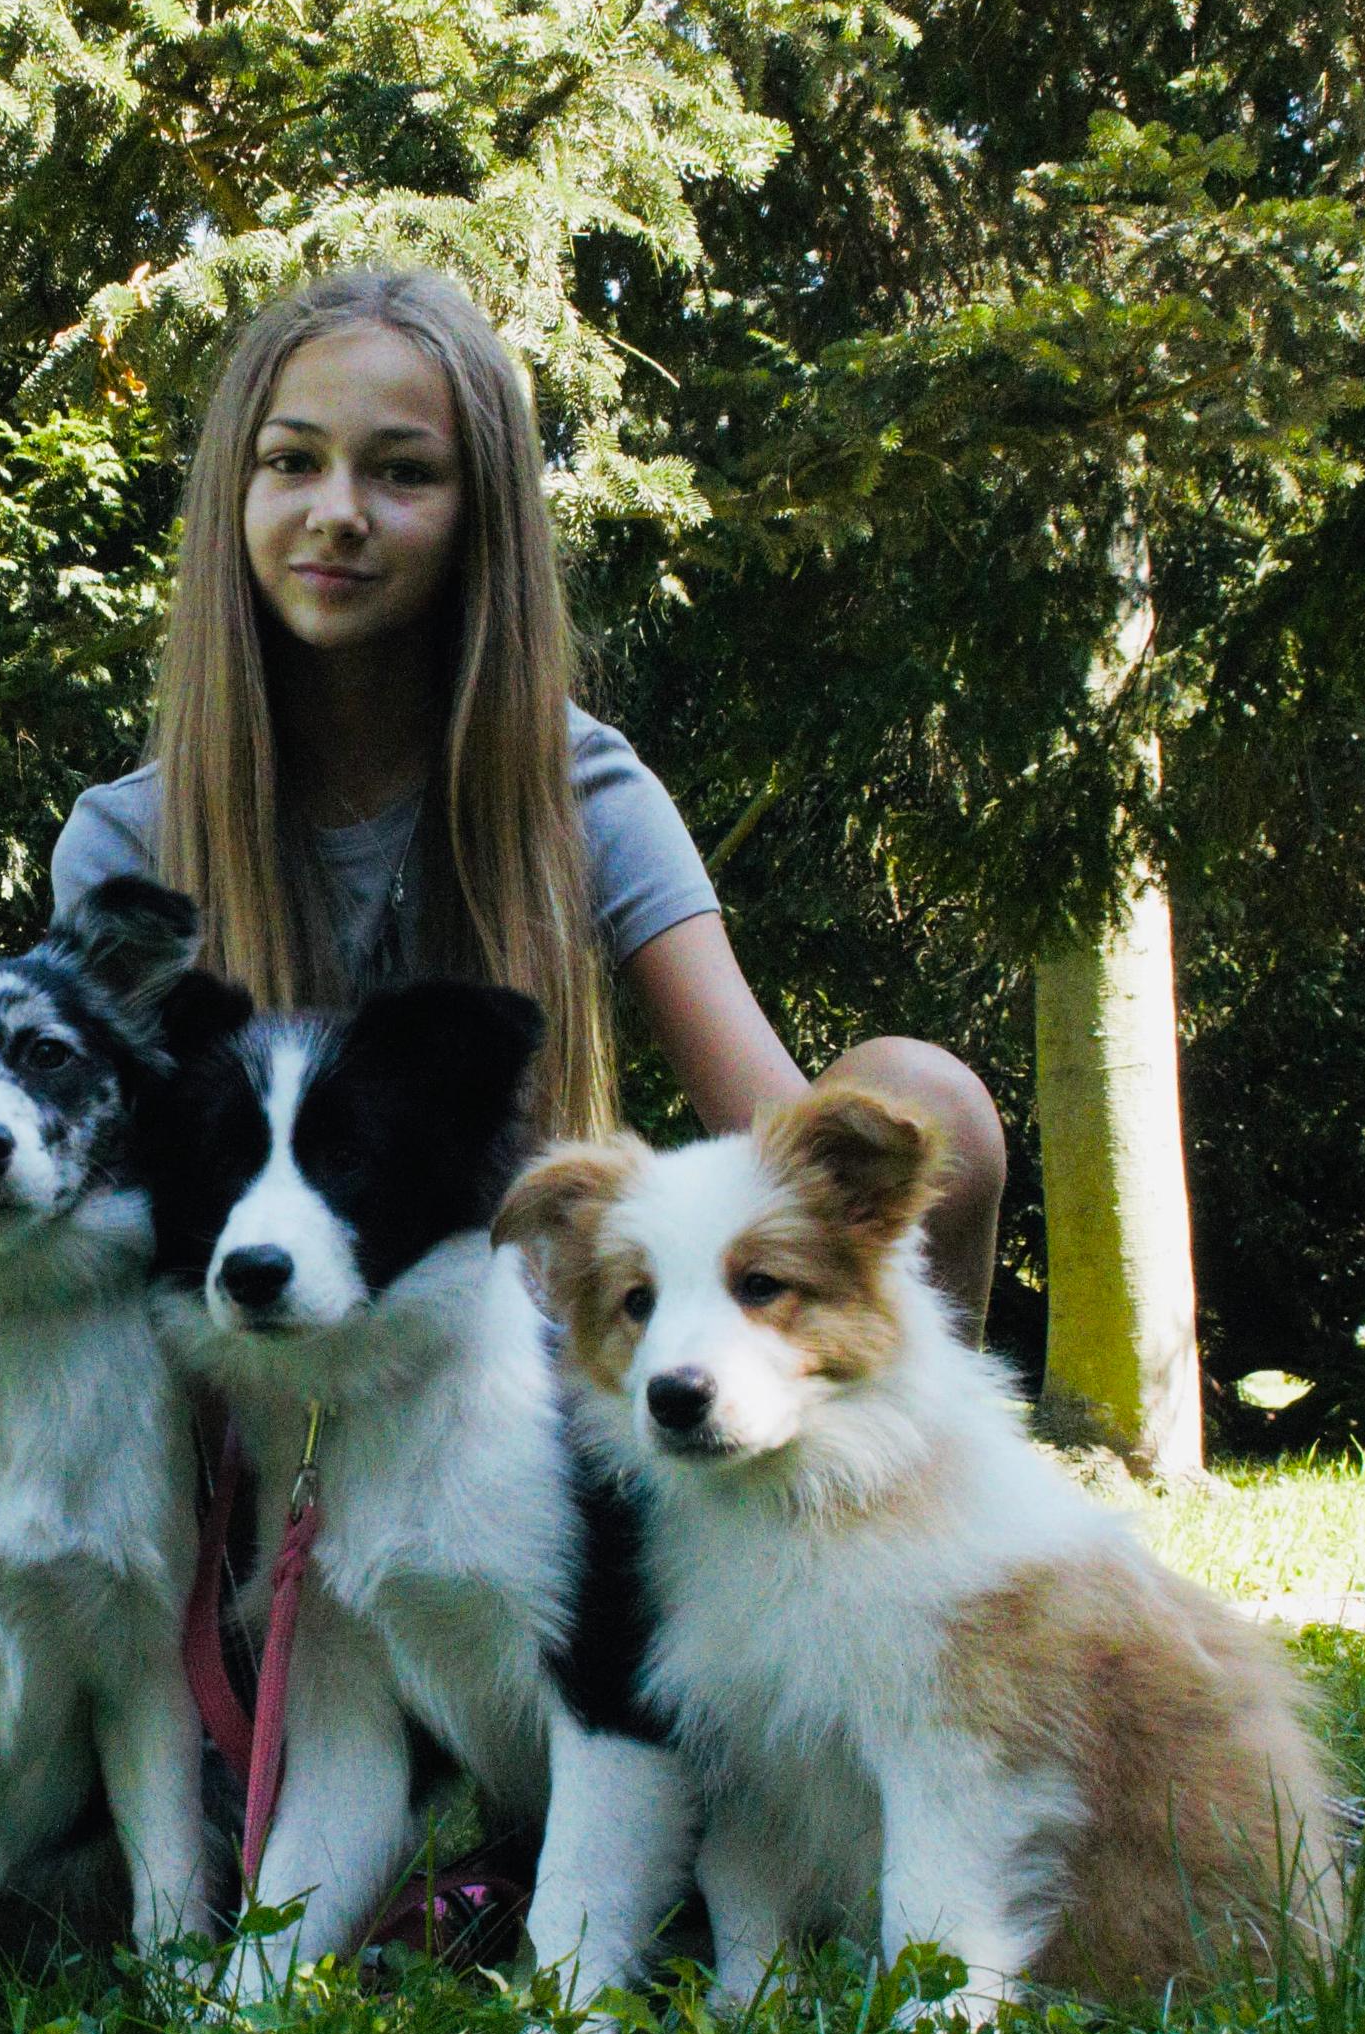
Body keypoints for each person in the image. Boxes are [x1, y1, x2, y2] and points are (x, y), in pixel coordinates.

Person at [51, 263, 1008, 1326]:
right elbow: (102, 1237)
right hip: (256, 1400)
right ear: (235, 491)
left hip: (533, 1407)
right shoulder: (127, 842)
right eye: (292, 461)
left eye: (402, 473)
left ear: (482, 516)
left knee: (931, 1097)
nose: (338, 512)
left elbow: (772, 1140)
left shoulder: (583, 787)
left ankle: (904, 1488)